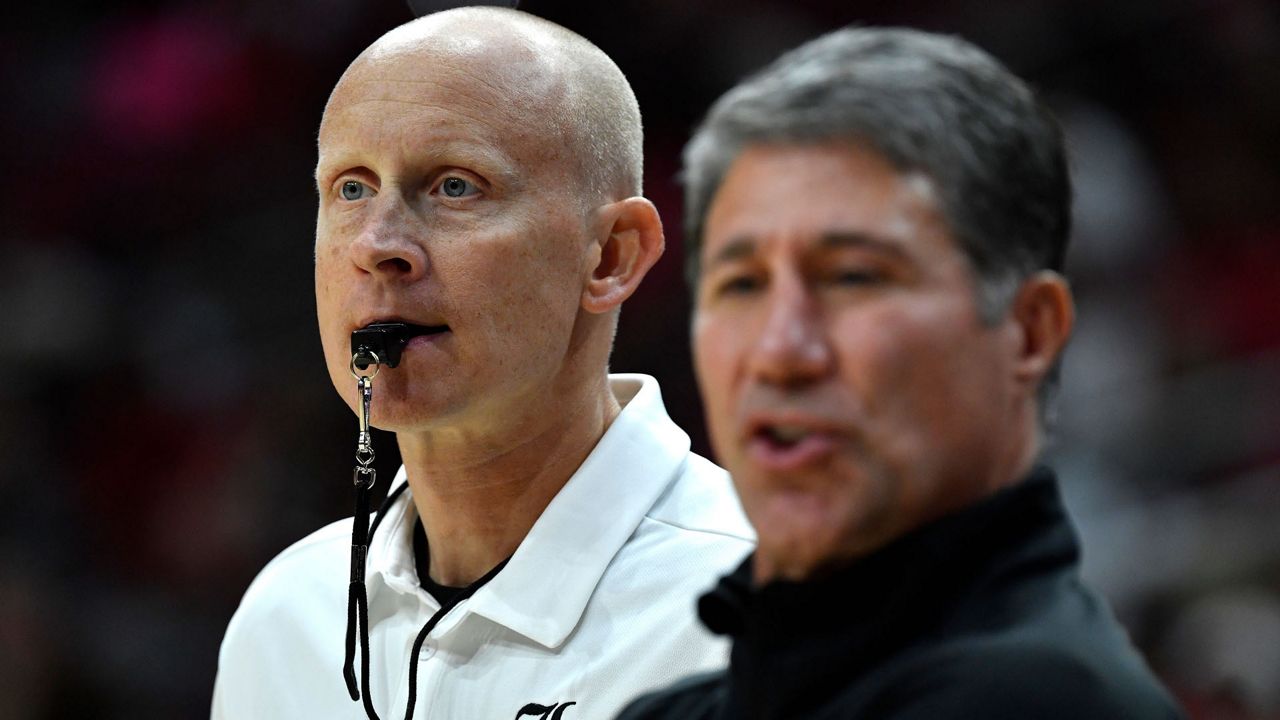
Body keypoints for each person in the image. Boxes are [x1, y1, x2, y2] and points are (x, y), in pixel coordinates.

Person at [618, 26, 1185, 720]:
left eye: (854, 277)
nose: (779, 349)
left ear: (1030, 331)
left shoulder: (1040, 698)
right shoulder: (668, 707)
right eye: (741, 284)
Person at [211, 7, 754, 720]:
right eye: (351, 188)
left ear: (613, 255)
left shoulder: (762, 615)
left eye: (455, 186)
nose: (377, 244)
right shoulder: (285, 620)